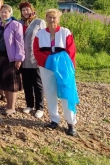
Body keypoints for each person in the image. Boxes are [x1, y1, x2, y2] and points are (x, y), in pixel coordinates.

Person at [33, 8, 78, 136]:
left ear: (58, 19)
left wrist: (63, 64)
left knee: (66, 93)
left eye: (54, 17)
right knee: (50, 92)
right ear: (46, 18)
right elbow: (36, 51)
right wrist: (49, 61)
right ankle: (54, 119)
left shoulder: (65, 32)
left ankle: (70, 123)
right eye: (49, 17)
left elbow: (71, 51)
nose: (52, 20)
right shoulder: (40, 34)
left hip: (63, 68)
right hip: (46, 67)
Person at [0, 4, 25, 115]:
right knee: (4, 81)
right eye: (2, 12)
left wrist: (19, 58)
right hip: (0, 56)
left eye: (6, 12)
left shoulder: (16, 25)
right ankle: (7, 105)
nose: (4, 14)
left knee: (12, 83)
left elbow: (20, 43)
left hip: (12, 58)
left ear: (10, 13)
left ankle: (12, 107)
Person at [18, 1, 46, 118]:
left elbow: (45, 39)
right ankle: (29, 105)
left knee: (37, 83)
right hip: (23, 58)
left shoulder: (39, 22)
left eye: (27, 9)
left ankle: (39, 107)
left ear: (31, 9)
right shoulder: (19, 23)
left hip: (35, 57)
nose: (25, 12)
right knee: (27, 83)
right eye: (23, 10)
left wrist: (43, 56)